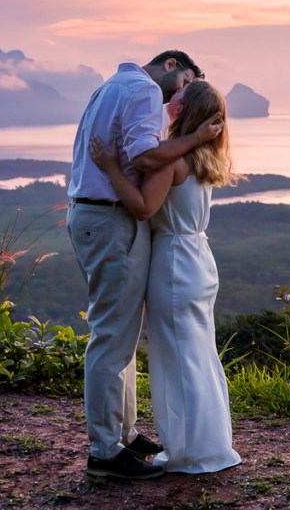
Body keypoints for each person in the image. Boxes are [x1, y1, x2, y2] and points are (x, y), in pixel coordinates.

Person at [66, 50, 222, 481]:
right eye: (185, 82)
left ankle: (126, 434)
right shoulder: (143, 91)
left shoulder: (111, 87)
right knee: (112, 335)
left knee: (123, 333)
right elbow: (145, 158)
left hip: (99, 215)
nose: (181, 95)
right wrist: (195, 138)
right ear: (171, 66)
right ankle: (104, 450)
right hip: (110, 217)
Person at [90, 78, 242, 474]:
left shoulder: (172, 162)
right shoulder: (209, 159)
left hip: (173, 263)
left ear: (184, 113)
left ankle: (190, 452)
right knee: (199, 354)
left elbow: (142, 207)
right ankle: (210, 444)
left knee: (178, 359)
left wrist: (109, 167)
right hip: (200, 260)